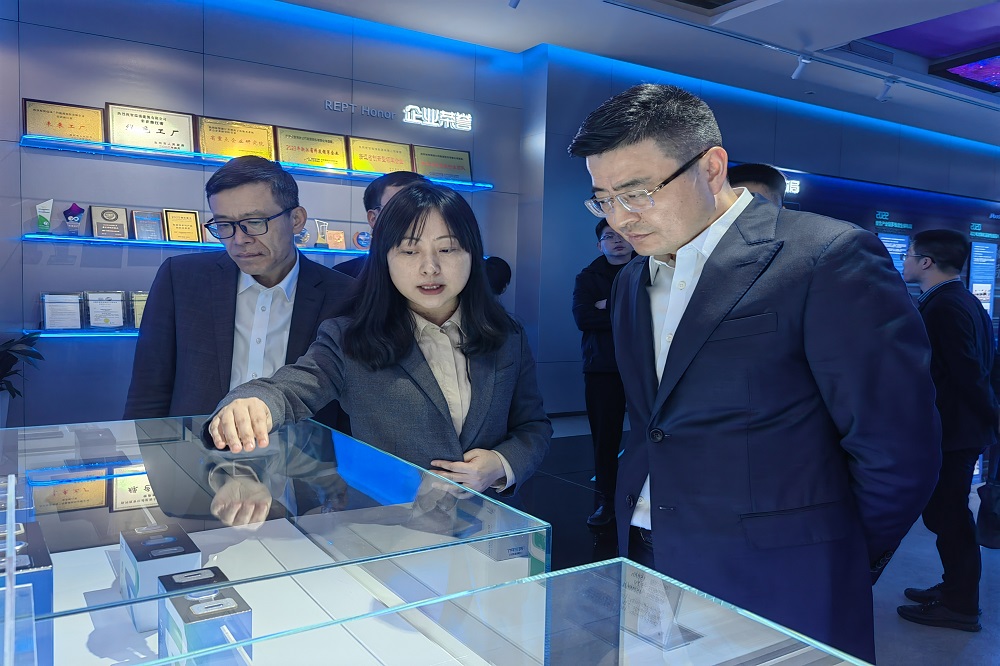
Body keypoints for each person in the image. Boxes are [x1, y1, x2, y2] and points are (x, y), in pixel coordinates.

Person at [567, 83, 940, 661]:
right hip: (644, 553)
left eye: (637, 193)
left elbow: (897, 447)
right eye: (603, 200)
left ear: (711, 168)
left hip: (780, 569)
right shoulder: (630, 281)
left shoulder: (825, 256)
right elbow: (653, 424)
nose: (620, 218)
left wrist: (830, 552)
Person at [205, 183, 551, 495]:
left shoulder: (507, 334)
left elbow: (532, 425)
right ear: (385, 258)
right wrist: (252, 402)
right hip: (385, 523)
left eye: (447, 249)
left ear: (472, 254)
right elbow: (293, 387)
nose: (430, 267)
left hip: (488, 524)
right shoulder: (349, 337)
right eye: (409, 251)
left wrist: (501, 464)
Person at [123, 156, 355, 426]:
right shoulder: (182, 278)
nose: (239, 239)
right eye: (224, 225)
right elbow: (148, 389)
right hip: (196, 446)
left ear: (296, 220)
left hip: (303, 449)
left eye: (255, 222)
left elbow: (350, 403)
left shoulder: (345, 295)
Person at [897, 230, 997, 632]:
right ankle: (954, 588)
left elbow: (967, 373)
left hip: (954, 433)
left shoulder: (945, 306)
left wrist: (990, 418)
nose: (904, 261)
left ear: (926, 262)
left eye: (909, 254)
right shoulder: (961, 300)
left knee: (949, 517)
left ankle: (960, 605)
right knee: (947, 515)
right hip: (960, 430)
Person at [572, 220, 634, 528]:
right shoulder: (588, 276)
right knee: (605, 440)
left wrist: (607, 306)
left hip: (643, 366)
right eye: (609, 236)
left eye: (622, 235)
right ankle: (606, 502)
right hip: (602, 367)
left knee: (651, 435)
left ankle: (648, 498)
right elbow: (584, 319)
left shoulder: (649, 269)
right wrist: (626, 308)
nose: (617, 240)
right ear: (600, 245)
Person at [333, 171, 429, 278]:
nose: (415, 219)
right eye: (399, 210)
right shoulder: (342, 277)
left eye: (424, 210)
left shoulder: (441, 272)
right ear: (373, 218)